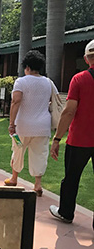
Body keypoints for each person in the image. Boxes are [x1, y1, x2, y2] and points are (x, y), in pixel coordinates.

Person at [49, 40, 94, 225]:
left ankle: (66, 213)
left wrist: (57, 138)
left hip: (80, 140)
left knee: (71, 178)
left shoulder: (79, 79)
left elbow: (69, 111)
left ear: (86, 59)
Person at [4, 50, 57, 196]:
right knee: (40, 154)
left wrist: (11, 123)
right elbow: (55, 100)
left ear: (27, 66)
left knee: (18, 151)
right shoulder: (48, 82)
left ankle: (14, 178)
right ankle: (37, 184)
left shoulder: (21, 81)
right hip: (43, 126)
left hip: (23, 126)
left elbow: (16, 102)